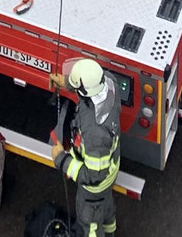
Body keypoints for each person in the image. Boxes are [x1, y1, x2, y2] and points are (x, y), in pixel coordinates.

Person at [55, 58, 121, 236]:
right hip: (110, 175)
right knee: (107, 213)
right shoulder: (109, 84)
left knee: (89, 225)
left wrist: (61, 159)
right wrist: (67, 82)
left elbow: (93, 175)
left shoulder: (94, 132)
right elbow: (88, 85)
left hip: (94, 190)